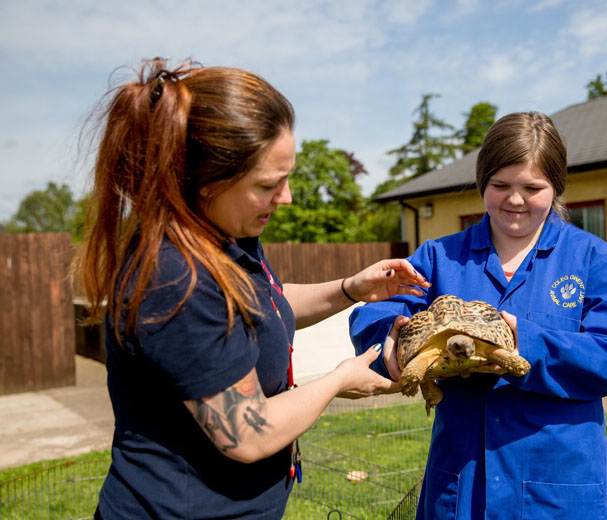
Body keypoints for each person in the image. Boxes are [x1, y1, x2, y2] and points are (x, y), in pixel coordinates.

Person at [75, 57, 430, 520]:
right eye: (268, 184)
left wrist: (352, 289)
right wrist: (338, 379)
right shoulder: (173, 278)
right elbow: (249, 433)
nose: (285, 198)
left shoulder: (226, 236)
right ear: (205, 182)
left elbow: (265, 307)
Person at [350, 112, 607, 519]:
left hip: (560, 487)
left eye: (533, 187)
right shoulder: (439, 257)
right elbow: (376, 313)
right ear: (482, 182)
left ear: (556, 186)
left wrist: (526, 344)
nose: (515, 200)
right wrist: (388, 343)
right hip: (463, 486)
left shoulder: (591, 258)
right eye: (500, 185)